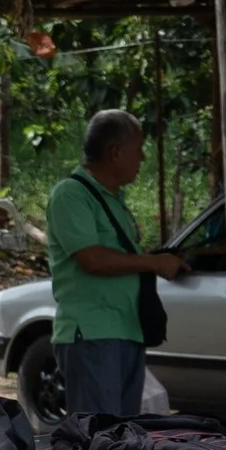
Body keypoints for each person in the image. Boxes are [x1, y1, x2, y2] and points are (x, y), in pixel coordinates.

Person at [45, 109, 184, 418]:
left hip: (126, 330)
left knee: (120, 437)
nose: (143, 157)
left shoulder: (113, 200)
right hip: (93, 332)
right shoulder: (71, 194)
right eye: (138, 149)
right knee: (99, 437)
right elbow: (91, 259)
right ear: (116, 152)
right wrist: (152, 263)